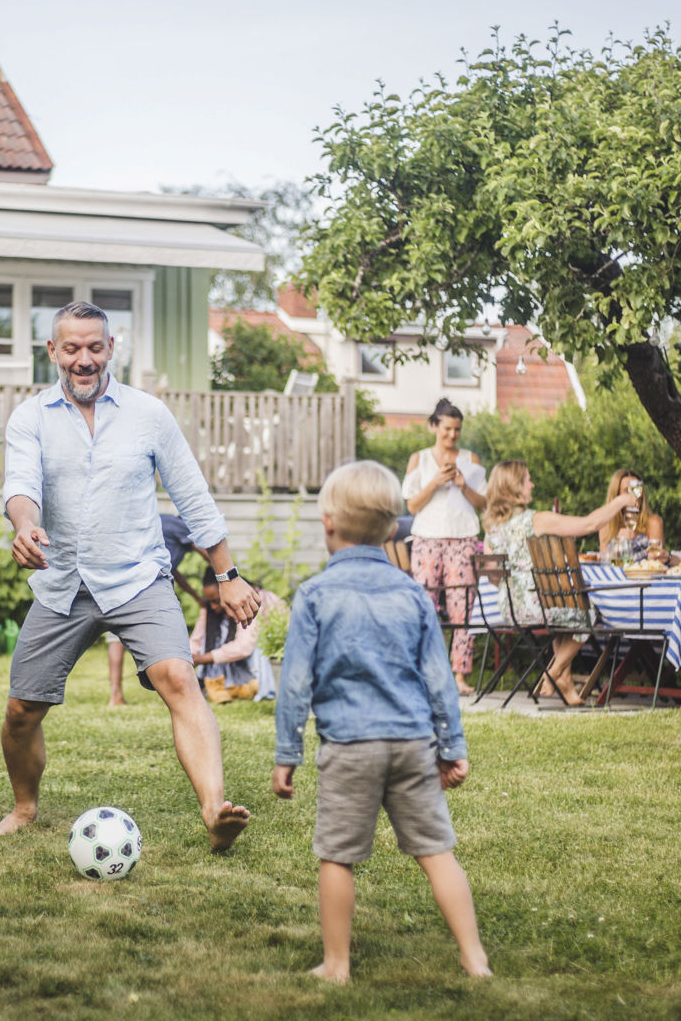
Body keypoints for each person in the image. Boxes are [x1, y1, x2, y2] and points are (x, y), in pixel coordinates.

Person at [0, 300, 259, 852]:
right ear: (53, 352)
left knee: (180, 680)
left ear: (111, 349)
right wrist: (25, 526)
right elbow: (21, 487)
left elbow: (193, 497)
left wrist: (228, 573)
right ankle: (23, 807)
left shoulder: (148, 414)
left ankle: (215, 811)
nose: (84, 360)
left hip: (138, 578)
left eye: (95, 347)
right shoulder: (31, 417)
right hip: (63, 579)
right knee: (22, 711)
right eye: (72, 348)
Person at [273, 460, 489, 984]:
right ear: (394, 528)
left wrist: (287, 755)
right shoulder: (413, 593)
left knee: (337, 857)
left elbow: (295, 684)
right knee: (438, 852)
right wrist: (451, 746)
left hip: (349, 747)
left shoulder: (316, 596)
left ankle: (337, 965)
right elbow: (439, 680)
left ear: (327, 524)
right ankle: (475, 958)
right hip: (413, 744)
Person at [480, 460, 641, 706]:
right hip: (539, 605)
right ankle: (553, 673)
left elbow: (492, 575)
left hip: (510, 609)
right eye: (527, 481)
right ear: (515, 488)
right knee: (587, 615)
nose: (532, 485)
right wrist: (620, 502)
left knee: (563, 617)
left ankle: (565, 684)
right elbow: (589, 524)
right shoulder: (536, 520)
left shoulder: (492, 527)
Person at [402, 399, 487, 695]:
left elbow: (485, 504)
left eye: (457, 430)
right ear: (433, 426)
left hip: (463, 538)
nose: (452, 436)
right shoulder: (419, 459)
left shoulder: (470, 459)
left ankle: (460, 676)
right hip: (427, 538)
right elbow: (412, 505)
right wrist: (435, 483)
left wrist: (463, 486)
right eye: (447, 429)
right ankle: (422, 673)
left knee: (462, 608)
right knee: (424, 607)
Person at [105, 513, 208, 706]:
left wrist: (197, 598)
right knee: (165, 641)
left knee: (115, 637)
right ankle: (177, 692)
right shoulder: (181, 526)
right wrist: (227, 573)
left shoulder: (161, 521)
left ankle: (115, 694)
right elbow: (205, 550)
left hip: (120, 578)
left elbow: (174, 571)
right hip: (147, 587)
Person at [190, 572, 284, 703]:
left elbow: (244, 647)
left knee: (257, 644)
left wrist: (202, 659)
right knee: (212, 637)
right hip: (235, 656)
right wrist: (188, 660)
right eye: (209, 602)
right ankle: (217, 682)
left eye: (216, 601)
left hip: (266, 657)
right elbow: (196, 640)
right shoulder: (211, 609)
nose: (212, 606)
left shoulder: (252, 600)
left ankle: (247, 685)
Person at [598, 468, 665, 562]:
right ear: (616, 495)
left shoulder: (653, 522)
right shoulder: (606, 523)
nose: (634, 494)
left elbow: (656, 563)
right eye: (627, 490)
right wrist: (619, 543)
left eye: (637, 489)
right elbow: (604, 561)